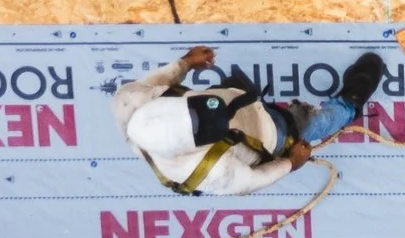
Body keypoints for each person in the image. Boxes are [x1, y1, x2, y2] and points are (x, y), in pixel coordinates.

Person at [114, 46, 386, 196]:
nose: (222, 115)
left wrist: (185, 63)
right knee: (313, 123)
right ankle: (350, 103)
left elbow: (155, 81)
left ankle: (241, 96)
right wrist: (292, 162)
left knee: (236, 91)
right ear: (189, 146)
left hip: (242, 102)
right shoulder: (208, 171)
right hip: (271, 135)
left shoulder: (129, 100)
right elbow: (252, 181)